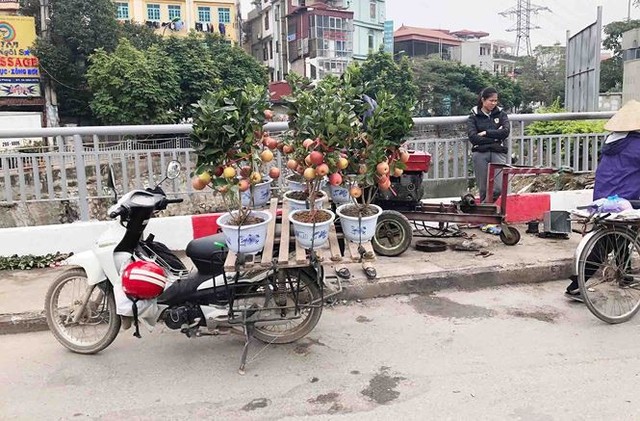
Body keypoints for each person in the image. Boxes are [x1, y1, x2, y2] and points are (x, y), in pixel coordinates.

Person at [565, 100, 640, 301]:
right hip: (625, 198)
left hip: (603, 197)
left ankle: (626, 274)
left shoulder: (612, 140)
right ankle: (575, 286)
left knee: (619, 233)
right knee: (608, 241)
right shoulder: (637, 144)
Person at [467, 87, 510, 203]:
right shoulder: (474, 117)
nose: (494, 103)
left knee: (498, 188)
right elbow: (474, 138)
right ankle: (484, 215)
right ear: (483, 100)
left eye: (496, 101)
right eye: (491, 100)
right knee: (483, 188)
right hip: (480, 153)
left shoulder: (501, 115)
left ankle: (483, 208)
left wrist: (486, 133)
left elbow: (505, 132)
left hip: (498, 152)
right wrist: (496, 137)